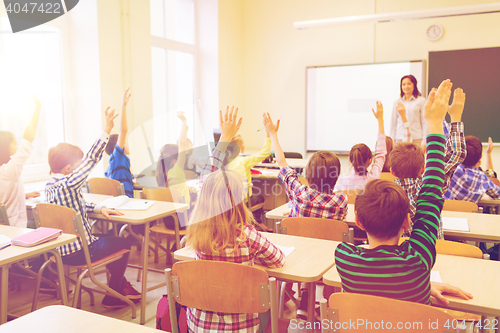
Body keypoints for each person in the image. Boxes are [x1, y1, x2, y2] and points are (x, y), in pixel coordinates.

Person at [334, 79, 457, 304]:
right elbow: (430, 195)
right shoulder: (418, 261)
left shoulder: (344, 258)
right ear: (408, 221)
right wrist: (435, 123)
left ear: (358, 221)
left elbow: (380, 284)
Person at [185, 106, 285, 333]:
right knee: (269, 301)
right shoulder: (246, 236)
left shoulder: (197, 234)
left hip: (198, 328)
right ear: (240, 200)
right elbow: (278, 260)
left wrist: (225, 137)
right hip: (239, 329)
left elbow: (206, 181)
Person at [45, 107, 141, 309]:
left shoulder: (50, 187)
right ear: (70, 169)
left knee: (111, 240)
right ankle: (114, 292)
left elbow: (73, 207)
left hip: (58, 253)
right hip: (81, 251)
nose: (82, 168)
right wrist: (107, 128)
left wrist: (99, 208)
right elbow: (91, 159)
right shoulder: (69, 183)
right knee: (124, 243)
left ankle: (118, 287)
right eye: (78, 166)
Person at [263, 111, 347, 320]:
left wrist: (273, 135)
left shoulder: (300, 193)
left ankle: (302, 296)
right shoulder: (341, 202)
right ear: (336, 176)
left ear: (308, 174)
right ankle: (323, 303)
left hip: (298, 258)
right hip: (329, 261)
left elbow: (283, 164)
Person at [391, 87, 466, 239]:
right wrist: (455, 116)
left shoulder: (385, 196)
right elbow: (456, 153)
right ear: (423, 169)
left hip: (398, 259)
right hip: (432, 258)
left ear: (391, 170)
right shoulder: (430, 187)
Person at [0, 96, 41, 228]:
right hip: (15, 228)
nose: (17, 147)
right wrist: (37, 109)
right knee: (44, 222)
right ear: (5, 147)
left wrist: (22, 194)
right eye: (14, 143)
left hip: (4, 230)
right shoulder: (10, 171)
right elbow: (28, 139)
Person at [226, 129, 272, 232]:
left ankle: (257, 223)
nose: (244, 145)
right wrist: (268, 135)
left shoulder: (224, 162)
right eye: (243, 143)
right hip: (243, 201)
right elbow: (264, 153)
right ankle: (257, 222)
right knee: (259, 197)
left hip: (229, 202)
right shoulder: (243, 161)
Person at [336, 101, 387, 192]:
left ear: (349, 159)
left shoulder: (343, 181)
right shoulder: (372, 180)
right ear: (369, 161)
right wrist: (380, 120)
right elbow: (380, 153)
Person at [444, 135, 500, 203]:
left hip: (445, 211)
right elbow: (498, 193)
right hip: (467, 213)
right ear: (481, 157)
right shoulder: (483, 178)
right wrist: (488, 153)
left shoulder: (450, 170)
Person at [104, 88, 134, 198]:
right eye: (124, 142)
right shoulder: (118, 157)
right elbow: (123, 130)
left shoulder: (113, 164)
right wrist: (124, 105)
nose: (127, 144)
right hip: (126, 203)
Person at [390, 74, 427, 146]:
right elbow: (393, 124)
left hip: (416, 139)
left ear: (414, 85)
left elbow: (424, 122)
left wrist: (424, 141)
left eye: (409, 84)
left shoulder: (421, 101)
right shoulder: (397, 102)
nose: (406, 86)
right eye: (403, 84)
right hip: (400, 139)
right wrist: (392, 141)